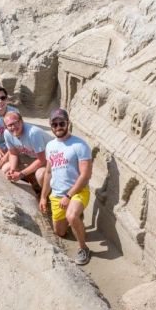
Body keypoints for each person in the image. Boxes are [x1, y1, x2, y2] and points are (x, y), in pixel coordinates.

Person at [39, 108, 93, 265]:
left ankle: (84, 248)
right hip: (56, 194)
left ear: (68, 123)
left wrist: (69, 195)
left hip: (77, 191)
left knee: (71, 216)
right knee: (60, 232)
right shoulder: (50, 146)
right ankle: (77, 221)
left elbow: (85, 175)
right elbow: (48, 173)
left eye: (61, 123)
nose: (58, 127)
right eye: (54, 124)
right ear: (51, 126)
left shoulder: (80, 145)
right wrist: (43, 197)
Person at [3, 111, 52, 192]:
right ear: (6, 127)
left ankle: (47, 195)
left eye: (15, 123)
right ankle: (33, 183)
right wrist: (12, 170)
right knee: (6, 169)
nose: (13, 127)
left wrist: (21, 173)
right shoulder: (7, 133)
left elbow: (42, 160)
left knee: (41, 175)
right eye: (9, 125)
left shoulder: (33, 133)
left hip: (49, 159)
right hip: (31, 157)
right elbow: (13, 153)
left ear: (22, 121)